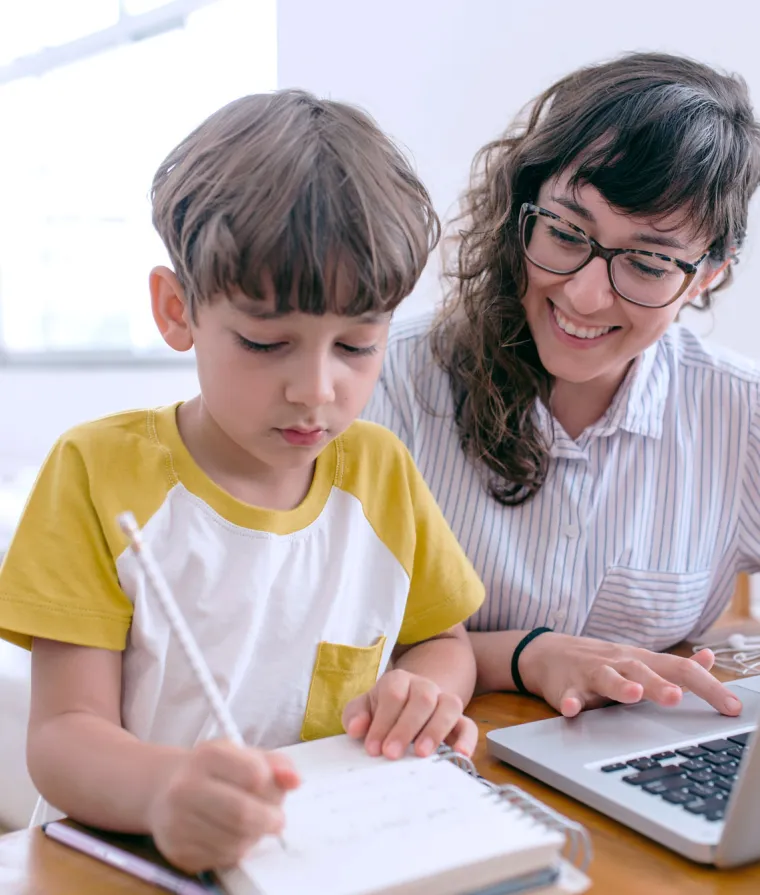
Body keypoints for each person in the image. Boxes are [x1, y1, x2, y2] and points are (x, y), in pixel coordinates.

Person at [0, 90, 485, 873]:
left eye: (357, 346)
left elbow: (443, 638)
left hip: (325, 859)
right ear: (176, 308)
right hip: (125, 860)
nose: (316, 389)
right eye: (266, 343)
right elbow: (61, 735)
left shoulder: (379, 471)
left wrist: (428, 690)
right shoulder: (96, 472)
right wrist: (165, 791)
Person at [363, 52, 760, 721]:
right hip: (434, 765)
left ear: (707, 275)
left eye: (648, 262)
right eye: (566, 232)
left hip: (630, 774)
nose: (583, 292)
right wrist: (526, 654)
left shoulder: (739, 413)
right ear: (524, 208)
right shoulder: (389, 381)